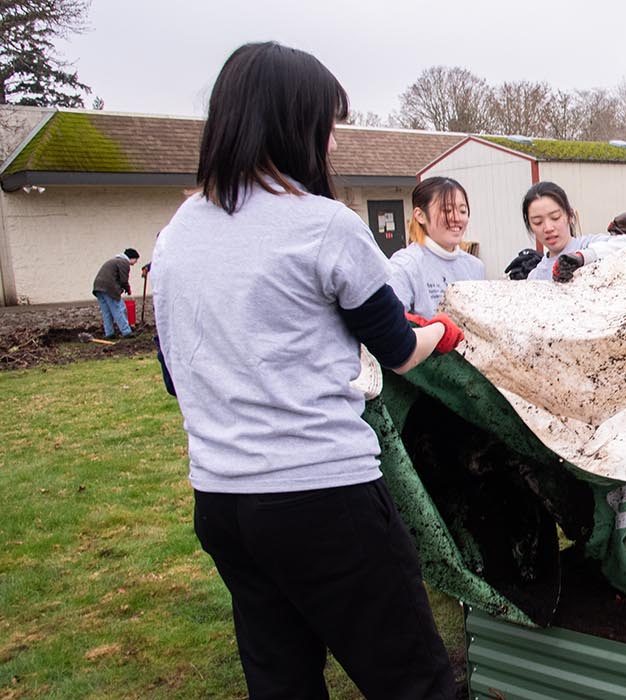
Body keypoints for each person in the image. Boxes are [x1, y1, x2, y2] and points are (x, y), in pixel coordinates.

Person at [150, 42, 460, 699]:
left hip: (223, 504)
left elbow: (177, 371)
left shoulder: (178, 231)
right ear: (294, 125)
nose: (333, 145)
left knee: (282, 681)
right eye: (328, 126)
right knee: (415, 681)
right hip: (323, 500)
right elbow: (399, 348)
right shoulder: (324, 226)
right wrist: (444, 331)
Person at [388, 176, 486, 316]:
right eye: (446, 211)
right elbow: (390, 325)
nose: (456, 218)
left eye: (463, 211)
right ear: (420, 215)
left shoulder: (475, 267)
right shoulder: (405, 265)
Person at [522, 181, 626, 282]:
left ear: (569, 215)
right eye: (538, 222)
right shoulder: (535, 277)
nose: (548, 228)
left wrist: (583, 257)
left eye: (555, 217)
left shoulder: (588, 245)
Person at [92, 248, 139, 338]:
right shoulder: (124, 262)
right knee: (119, 309)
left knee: (107, 312)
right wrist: (128, 289)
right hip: (109, 288)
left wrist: (122, 288)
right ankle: (126, 332)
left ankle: (109, 333)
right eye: (136, 260)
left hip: (98, 287)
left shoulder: (114, 261)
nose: (135, 262)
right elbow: (124, 280)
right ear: (132, 258)